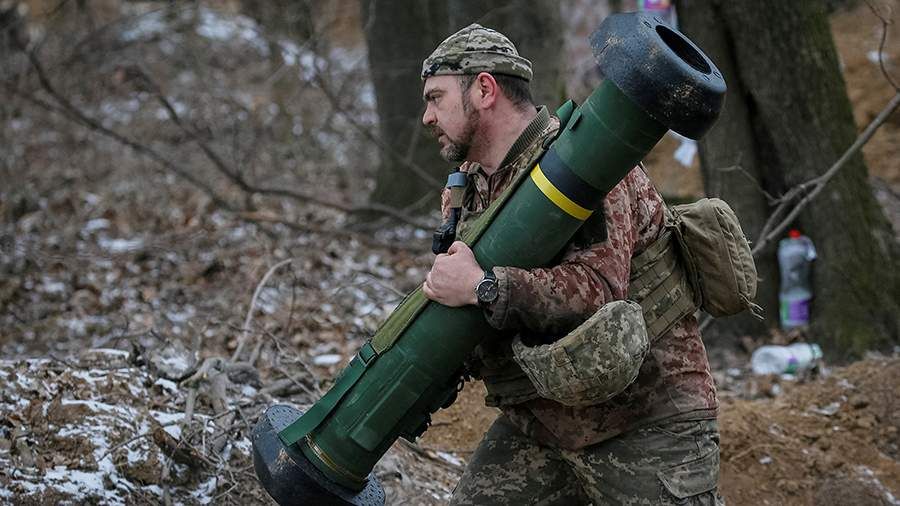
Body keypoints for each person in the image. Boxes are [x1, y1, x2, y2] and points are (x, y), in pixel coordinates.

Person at [419, 24, 723, 505]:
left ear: (483, 89)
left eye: (436, 98)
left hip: (645, 419)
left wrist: (485, 288)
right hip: (541, 423)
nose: (426, 116)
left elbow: (599, 289)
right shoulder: (470, 187)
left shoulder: (586, 162)